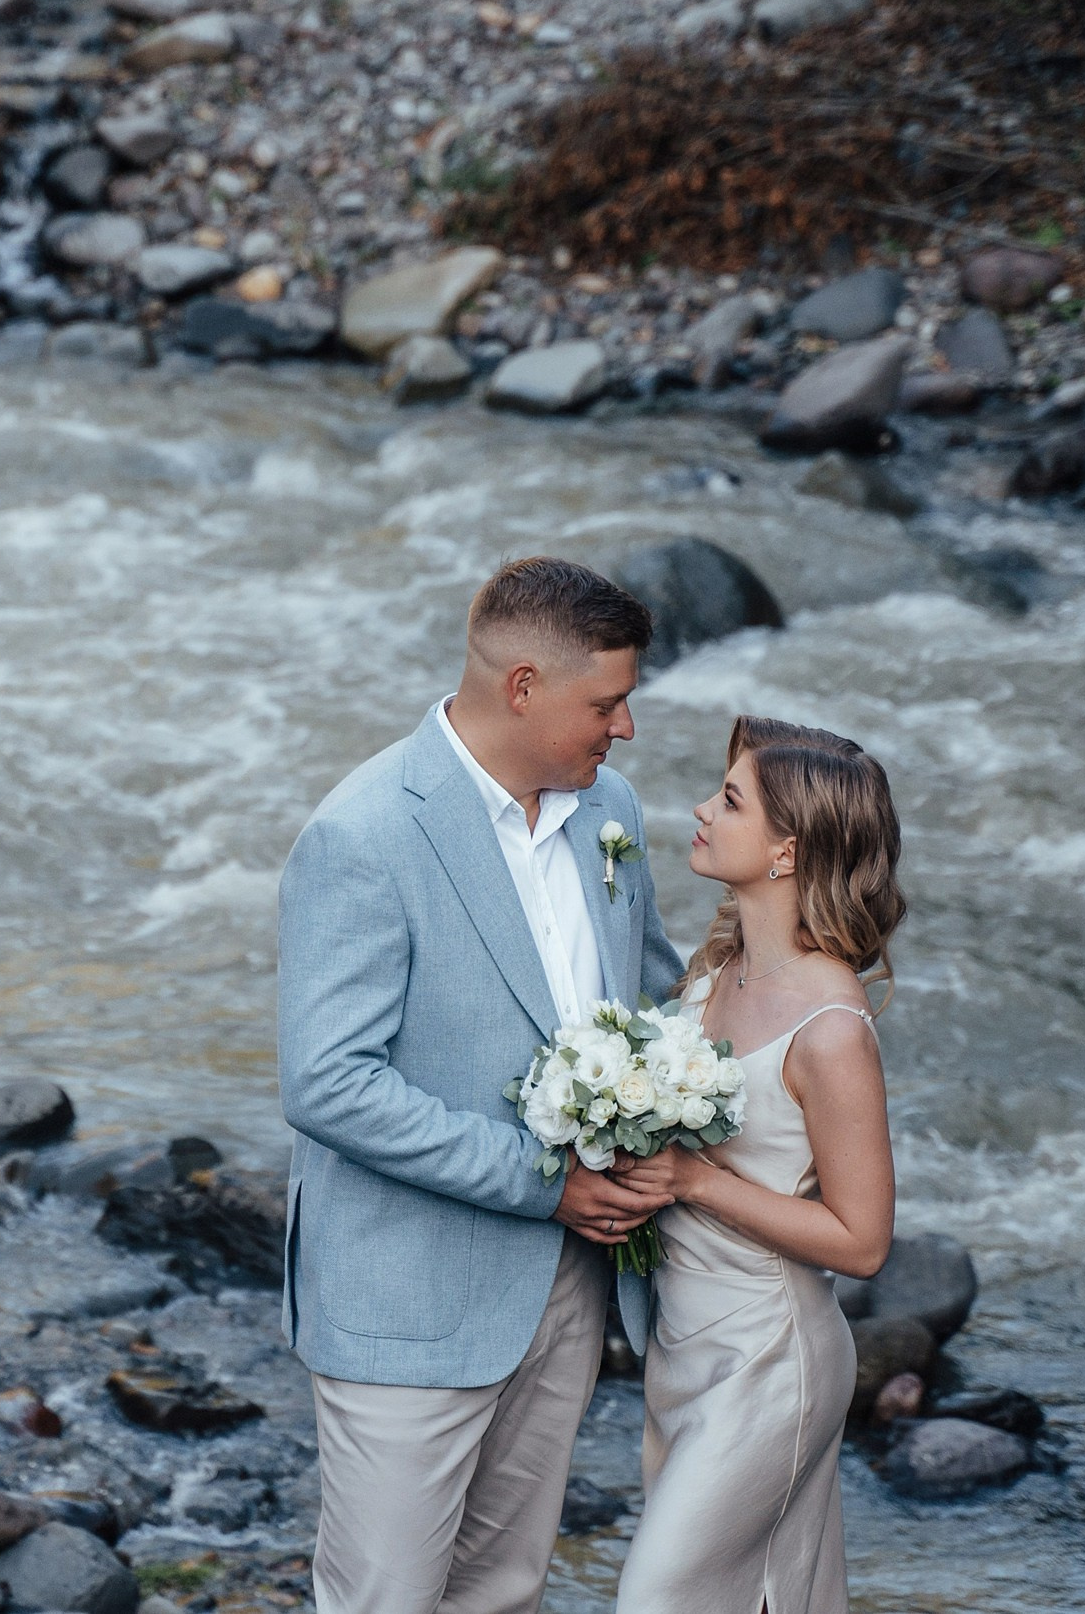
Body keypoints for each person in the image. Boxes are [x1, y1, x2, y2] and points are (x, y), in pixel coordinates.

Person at [277, 554, 685, 1614]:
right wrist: (542, 1181)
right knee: (384, 1598)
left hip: (565, 1285)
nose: (625, 727)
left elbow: (655, 996)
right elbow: (327, 1081)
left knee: (504, 1590)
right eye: (606, 701)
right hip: (406, 1296)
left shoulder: (613, 811)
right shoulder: (364, 834)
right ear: (521, 687)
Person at [609, 716, 908, 1614]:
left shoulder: (832, 1032)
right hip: (683, 1345)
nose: (703, 808)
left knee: (654, 1602)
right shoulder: (718, 970)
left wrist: (697, 1181)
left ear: (787, 852)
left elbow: (862, 1244)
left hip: (769, 1360)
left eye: (729, 799)